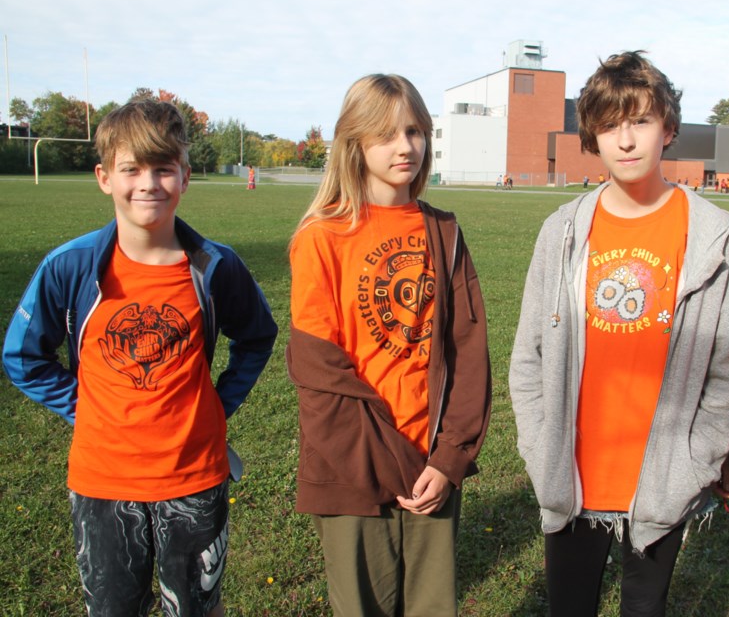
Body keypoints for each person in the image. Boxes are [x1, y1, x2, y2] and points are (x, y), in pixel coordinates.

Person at [1, 100, 278, 617]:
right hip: (103, 483)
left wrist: (218, 405)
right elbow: (23, 357)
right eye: (131, 169)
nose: (148, 183)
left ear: (185, 177)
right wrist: (85, 408)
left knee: (196, 607)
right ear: (105, 177)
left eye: (163, 168)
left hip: (195, 477)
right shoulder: (71, 267)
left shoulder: (215, 266)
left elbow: (258, 336)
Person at [510, 50, 729, 617]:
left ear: (667, 128)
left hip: (661, 473)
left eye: (639, 120)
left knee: (645, 608)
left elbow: (726, 367)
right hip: (573, 470)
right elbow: (529, 357)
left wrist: (697, 460)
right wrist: (541, 446)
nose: (626, 139)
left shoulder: (713, 234)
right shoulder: (562, 230)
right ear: (592, 136)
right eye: (610, 125)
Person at [287, 74, 491, 616]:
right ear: (354, 144)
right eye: (385, 135)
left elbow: (469, 354)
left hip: (431, 467)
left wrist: (448, 461)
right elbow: (319, 370)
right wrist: (398, 462)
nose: (404, 147)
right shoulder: (321, 236)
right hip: (353, 464)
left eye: (415, 131)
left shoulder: (443, 231)